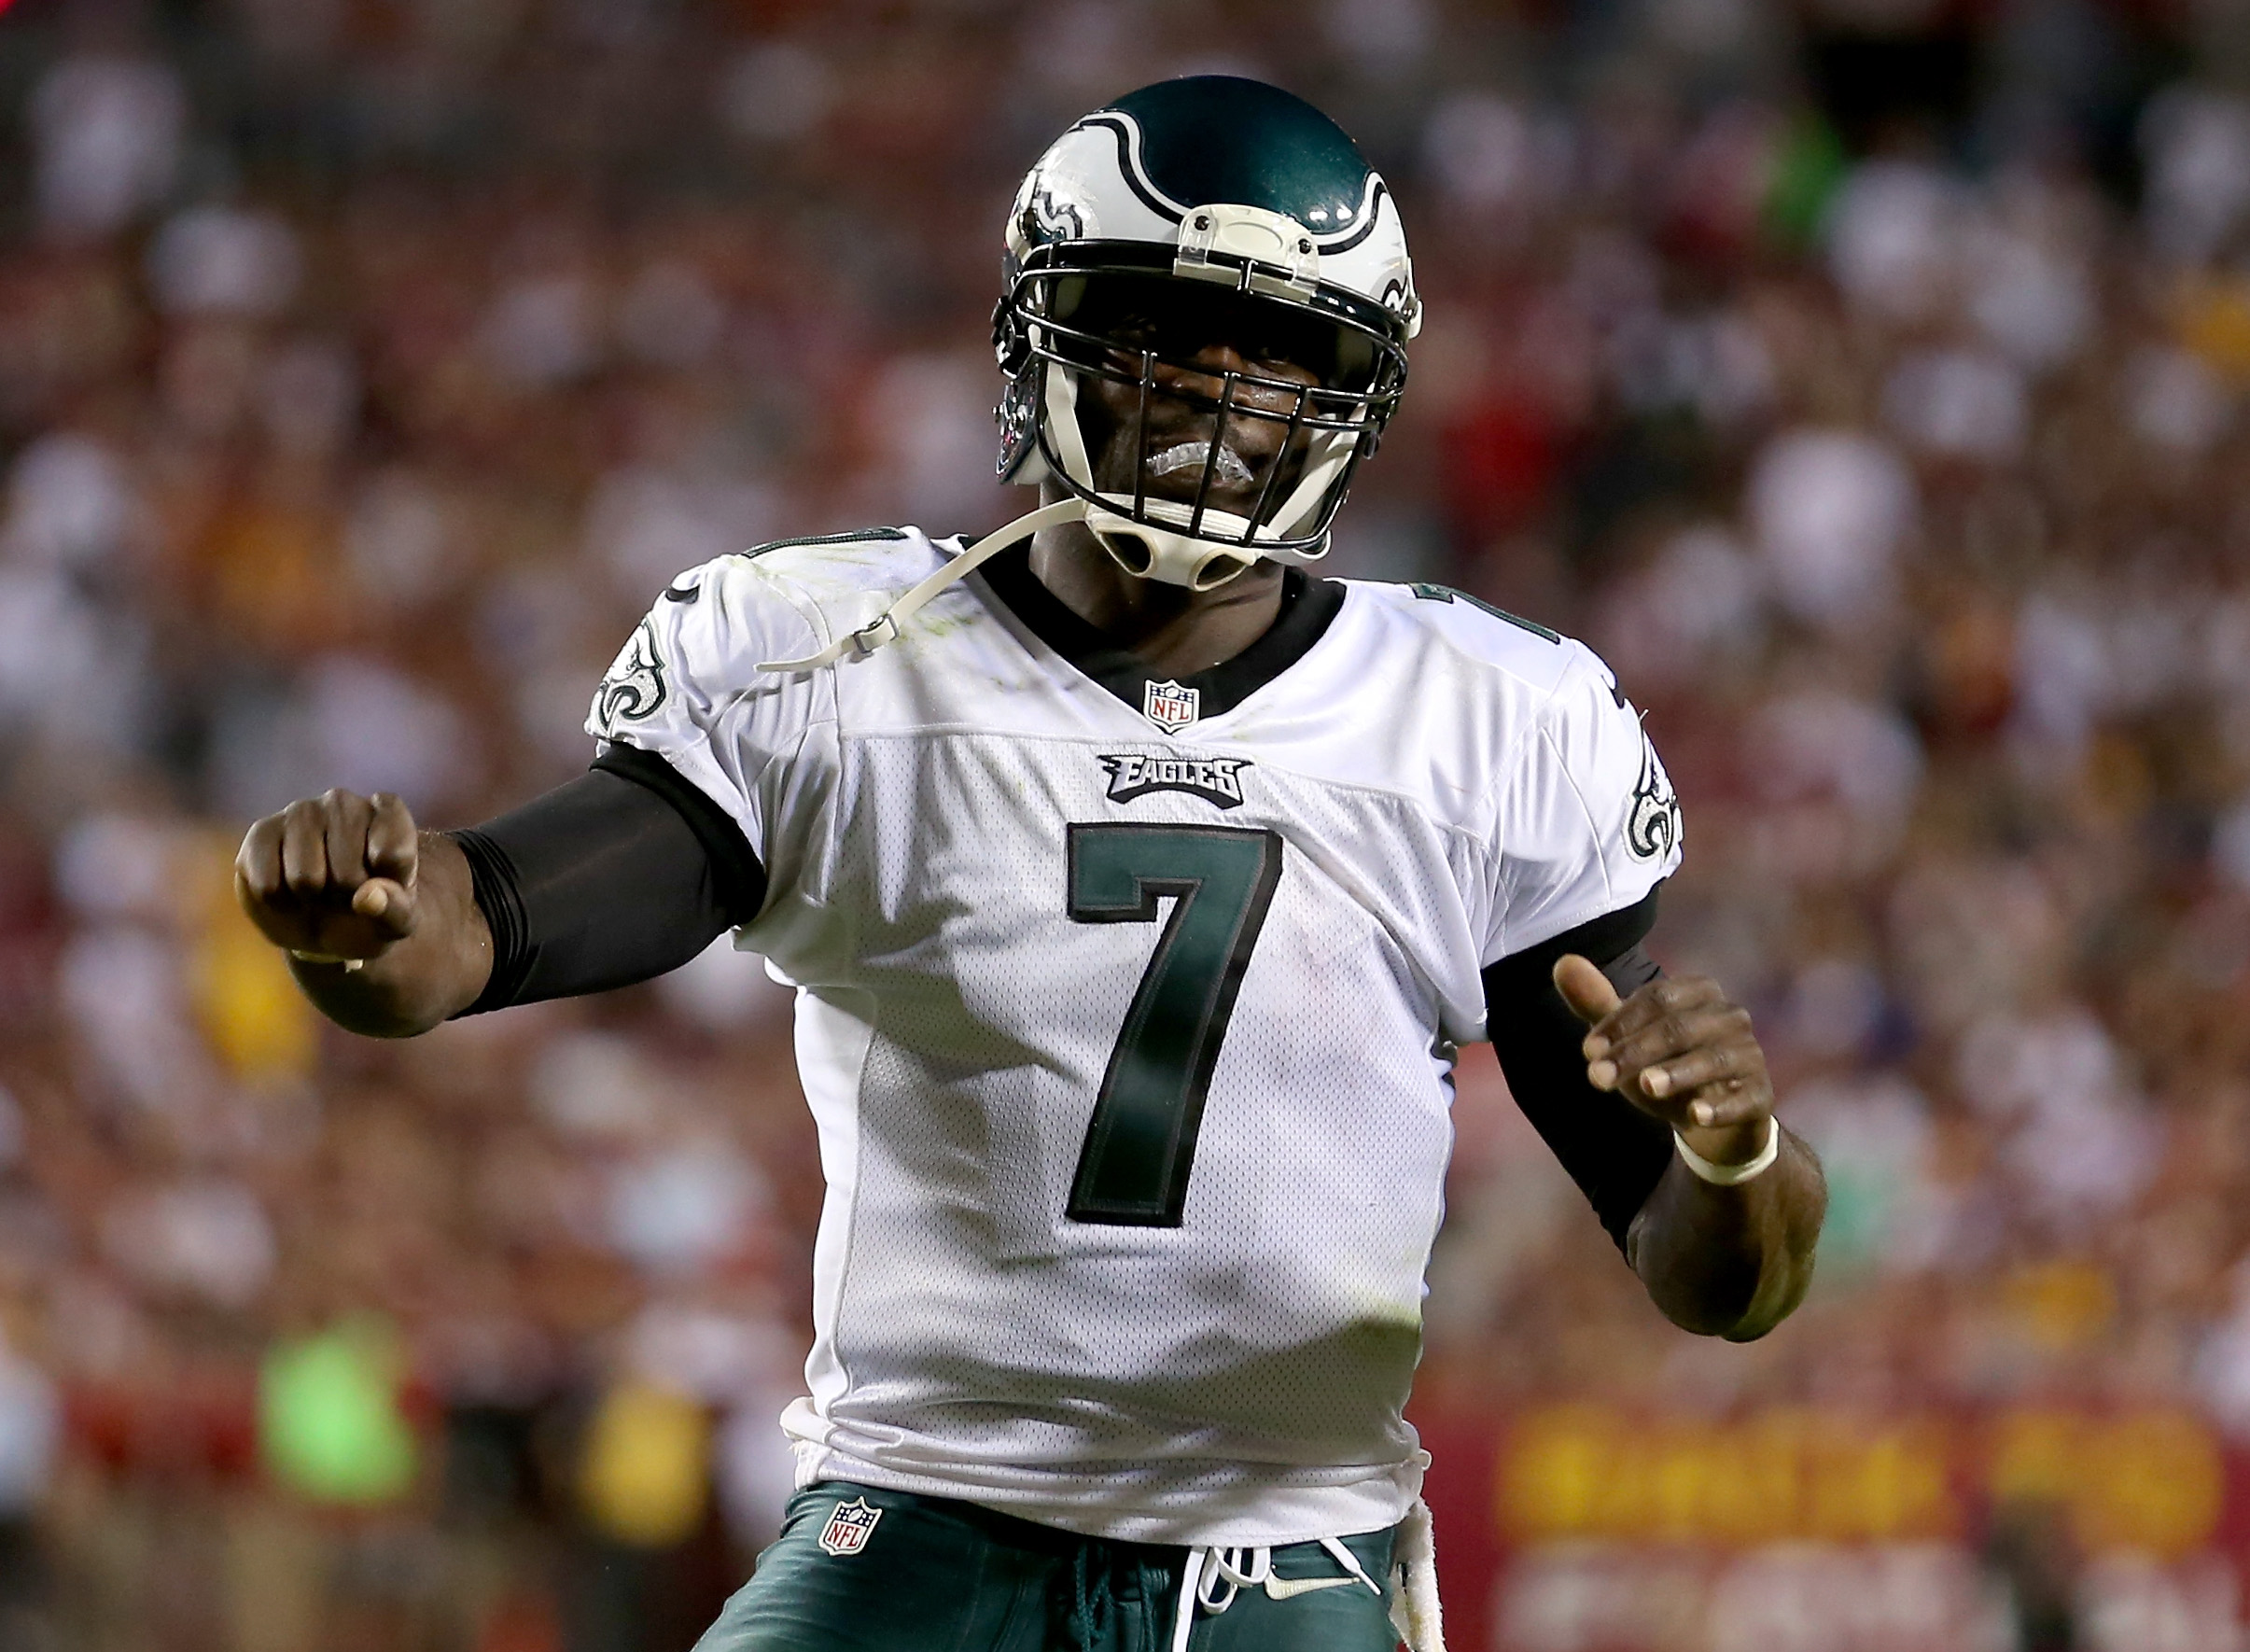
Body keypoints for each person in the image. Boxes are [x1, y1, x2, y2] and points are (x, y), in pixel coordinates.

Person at [235, 77, 1824, 1652]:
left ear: (1352, 393)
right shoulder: (845, 661)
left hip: (1278, 1562)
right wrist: (373, 910)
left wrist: (1741, 1158)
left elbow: (1722, 1284)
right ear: (1041, 338)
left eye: (1277, 356)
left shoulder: (1484, 725)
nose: (1219, 389)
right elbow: (478, 927)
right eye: (1164, 327)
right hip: (916, 1525)